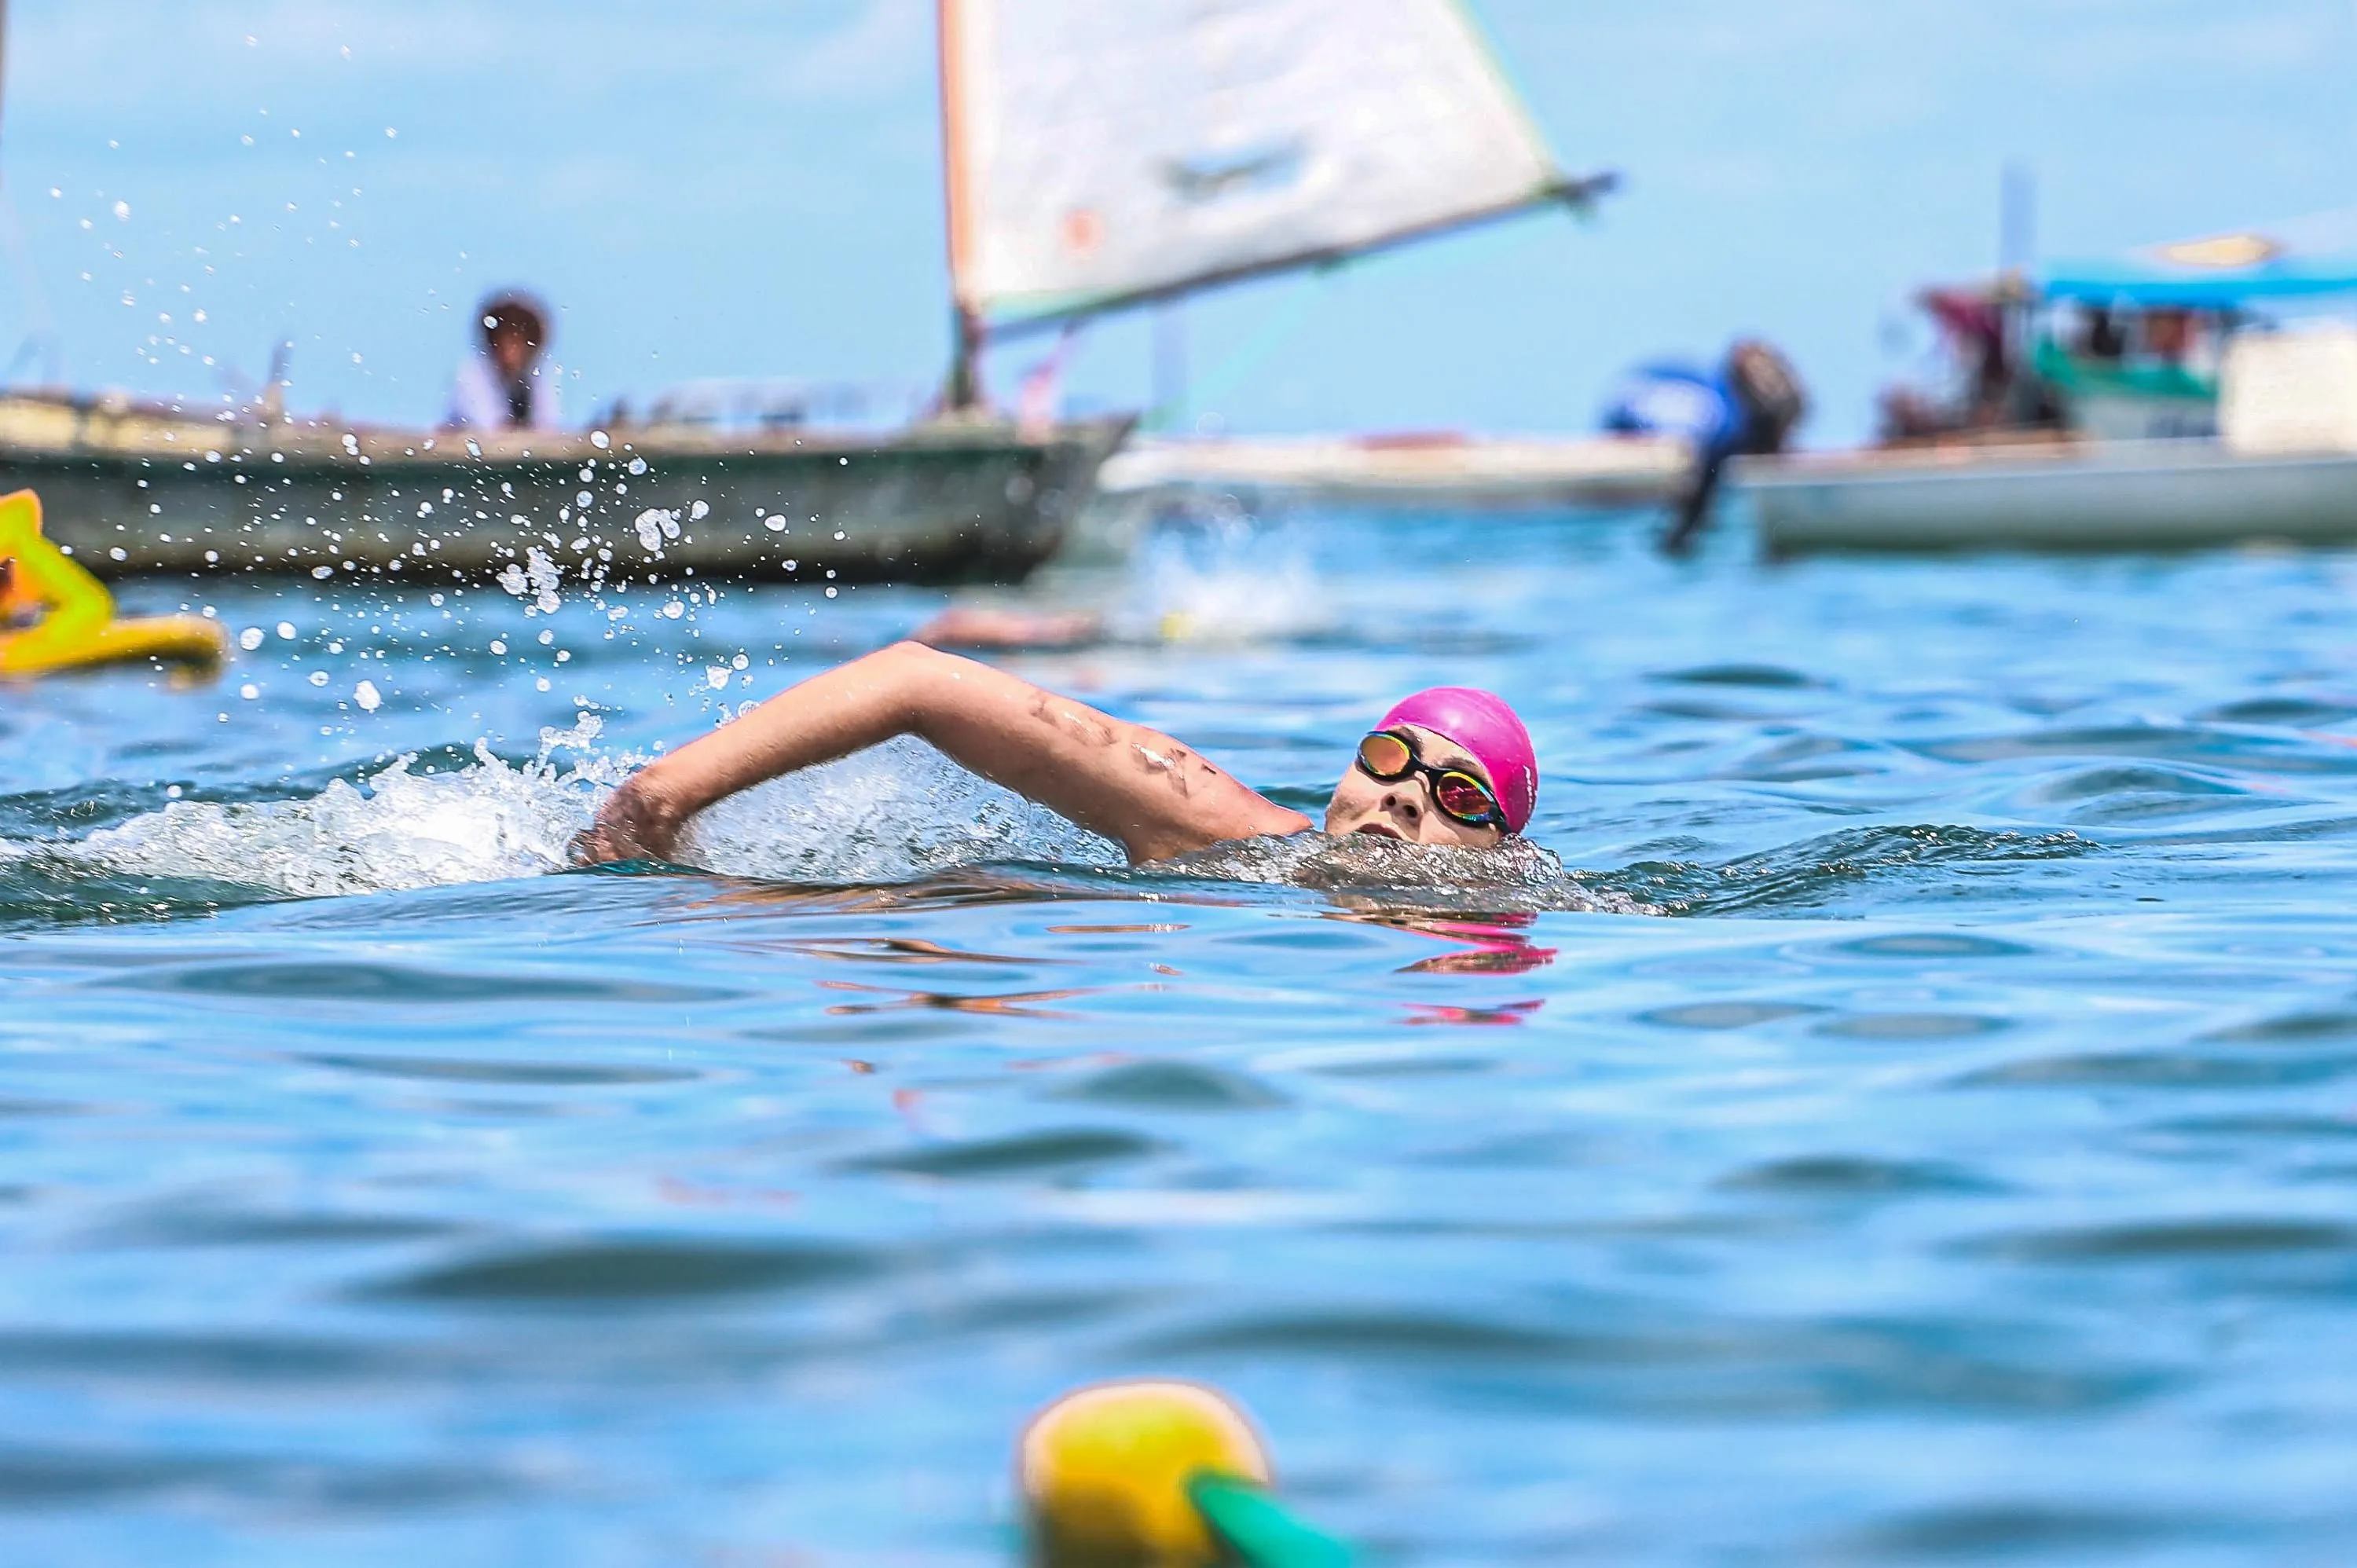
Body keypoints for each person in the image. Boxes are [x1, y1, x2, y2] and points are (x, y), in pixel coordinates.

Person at [569, 641, 1538, 867]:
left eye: (1459, 791)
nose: (1407, 794)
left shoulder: (1536, 913)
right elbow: (917, 679)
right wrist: (661, 794)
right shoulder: (1217, 822)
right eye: (1388, 755)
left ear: (1502, 847)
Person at [445, 291, 559, 432]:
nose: (510, 351)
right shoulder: (472, 373)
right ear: (492, 343)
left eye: (517, 343)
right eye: (505, 342)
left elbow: (548, 425)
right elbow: (486, 428)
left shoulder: (539, 374)